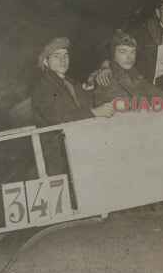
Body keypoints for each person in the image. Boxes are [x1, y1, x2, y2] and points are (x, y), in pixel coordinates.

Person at [32, 37, 114, 177]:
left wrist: (89, 86)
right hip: (60, 157)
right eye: (56, 56)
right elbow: (61, 117)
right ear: (46, 62)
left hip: (75, 148)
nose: (63, 60)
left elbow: (78, 105)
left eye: (65, 55)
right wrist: (93, 112)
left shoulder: (66, 81)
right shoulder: (44, 87)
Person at [97, 0, 163, 96]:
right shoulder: (142, 31)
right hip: (143, 84)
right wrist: (105, 65)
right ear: (158, 13)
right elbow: (111, 44)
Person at [93, 29, 163, 107]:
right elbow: (130, 107)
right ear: (113, 54)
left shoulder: (132, 71)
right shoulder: (106, 76)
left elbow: (151, 90)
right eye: (123, 52)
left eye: (133, 51)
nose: (129, 58)